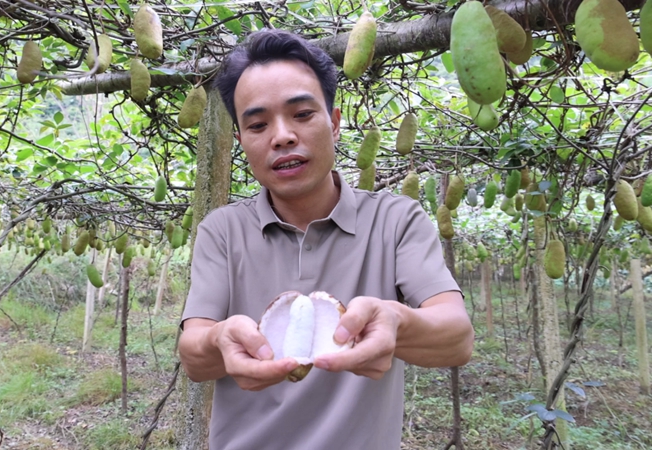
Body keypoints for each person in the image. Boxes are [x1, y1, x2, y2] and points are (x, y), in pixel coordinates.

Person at [178, 29, 474, 450]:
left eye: (302, 114)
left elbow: (457, 338)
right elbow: (194, 355)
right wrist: (217, 340)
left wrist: (397, 322)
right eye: (258, 124)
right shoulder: (221, 230)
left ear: (334, 124)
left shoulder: (396, 219)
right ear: (241, 142)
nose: (282, 136)